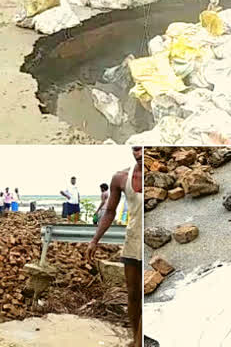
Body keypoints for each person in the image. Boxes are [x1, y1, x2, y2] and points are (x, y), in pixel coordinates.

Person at [87, 147, 142, 347]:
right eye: (136, 149)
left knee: (145, 293)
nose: (139, 153)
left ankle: (138, 341)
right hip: (132, 242)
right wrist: (94, 240)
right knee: (133, 294)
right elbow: (110, 211)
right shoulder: (121, 178)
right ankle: (135, 335)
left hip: (149, 243)